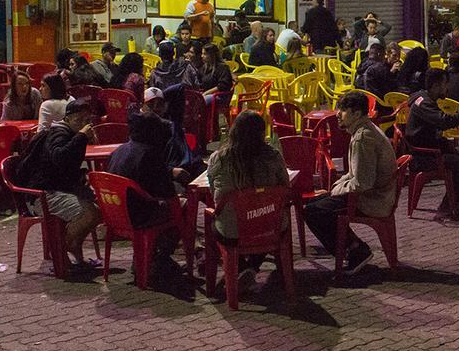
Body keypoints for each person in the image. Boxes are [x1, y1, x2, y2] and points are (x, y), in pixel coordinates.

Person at [301, 92, 400, 274]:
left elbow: (362, 183)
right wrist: (338, 187)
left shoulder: (364, 138)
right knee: (313, 204)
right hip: (373, 192)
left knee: (313, 212)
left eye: (343, 110)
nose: (337, 114)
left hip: (371, 199)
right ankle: (352, 246)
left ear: (356, 114)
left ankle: (355, 251)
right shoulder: (365, 130)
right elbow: (356, 173)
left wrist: (337, 189)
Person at [204, 109, 295, 286]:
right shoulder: (272, 156)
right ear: (262, 133)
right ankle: (250, 267)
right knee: (267, 222)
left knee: (214, 224)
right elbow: (285, 186)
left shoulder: (219, 158)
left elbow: (213, 190)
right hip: (269, 225)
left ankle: (241, 268)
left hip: (233, 229)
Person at [15, 98, 100, 264]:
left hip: (60, 188)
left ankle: (73, 249)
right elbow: (59, 157)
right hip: (43, 194)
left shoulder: (73, 134)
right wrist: (82, 136)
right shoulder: (59, 133)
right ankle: (61, 250)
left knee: (100, 207)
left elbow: (66, 167)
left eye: (87, 120)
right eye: (78, 120)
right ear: (67, 119)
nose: (83, 124)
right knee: (90, 213)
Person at [104, 110, 183, 270]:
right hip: (138, 217)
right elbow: (168, 193)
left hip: (115, 214)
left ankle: (144, 256)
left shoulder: (118, 151)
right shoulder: (150, 154)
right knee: (181, 208)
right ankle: (159, 257)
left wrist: (168, 172)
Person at [405, 71, 459, 217]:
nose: (447, 88)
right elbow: (443, 121)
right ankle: (453, 206)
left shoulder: (422, 98)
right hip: (425, 156)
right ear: (436, 86)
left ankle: (458, 202)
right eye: (445, 85)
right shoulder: (424, 103)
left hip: (429, 149)